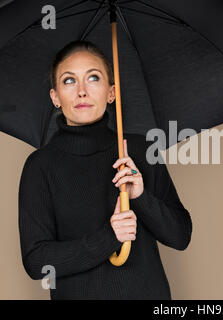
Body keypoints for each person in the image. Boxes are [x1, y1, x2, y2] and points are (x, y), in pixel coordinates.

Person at [18, 40, 192, 300]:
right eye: (68, 81)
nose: (82, 92)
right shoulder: (40, 166)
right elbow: (37, 262)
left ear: (112, 92)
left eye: (93, 78)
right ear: (55, 97)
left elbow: (181, 236)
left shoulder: (139, 150)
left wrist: (141, 198)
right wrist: (108, 237)